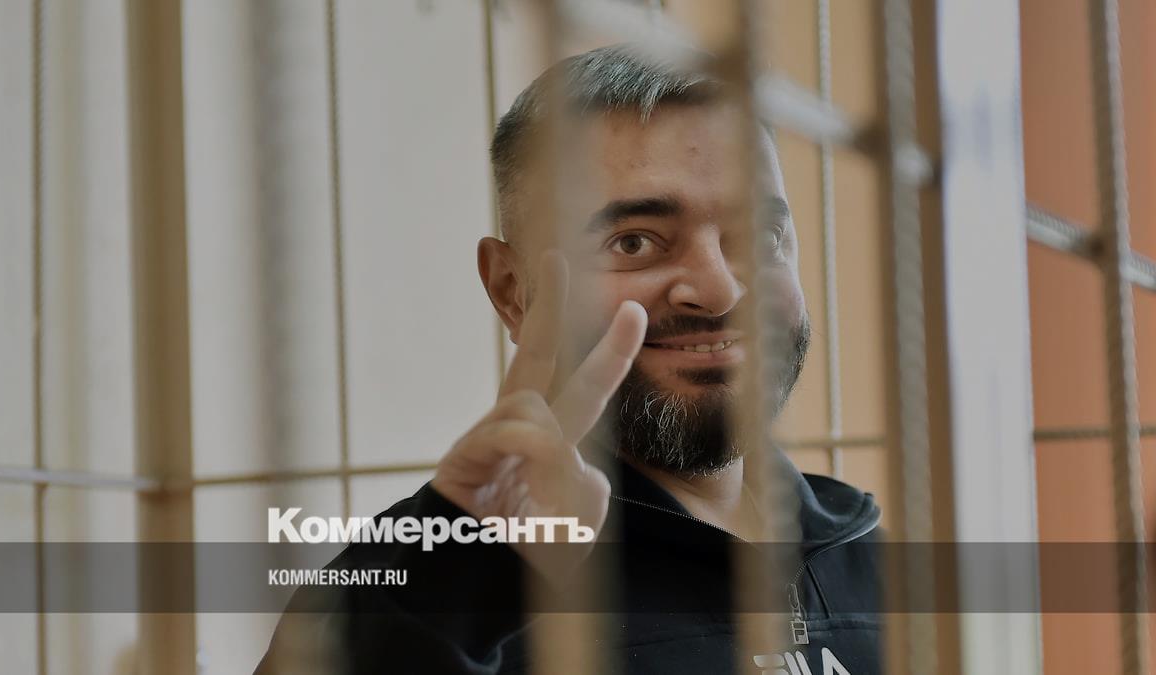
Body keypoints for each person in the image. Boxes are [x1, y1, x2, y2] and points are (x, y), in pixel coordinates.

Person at [256, 44, 881, 675]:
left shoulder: (874, 561)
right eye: (633, 242)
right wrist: (454, 573)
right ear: (511, 290)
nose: (720, 290)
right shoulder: (427, 594)